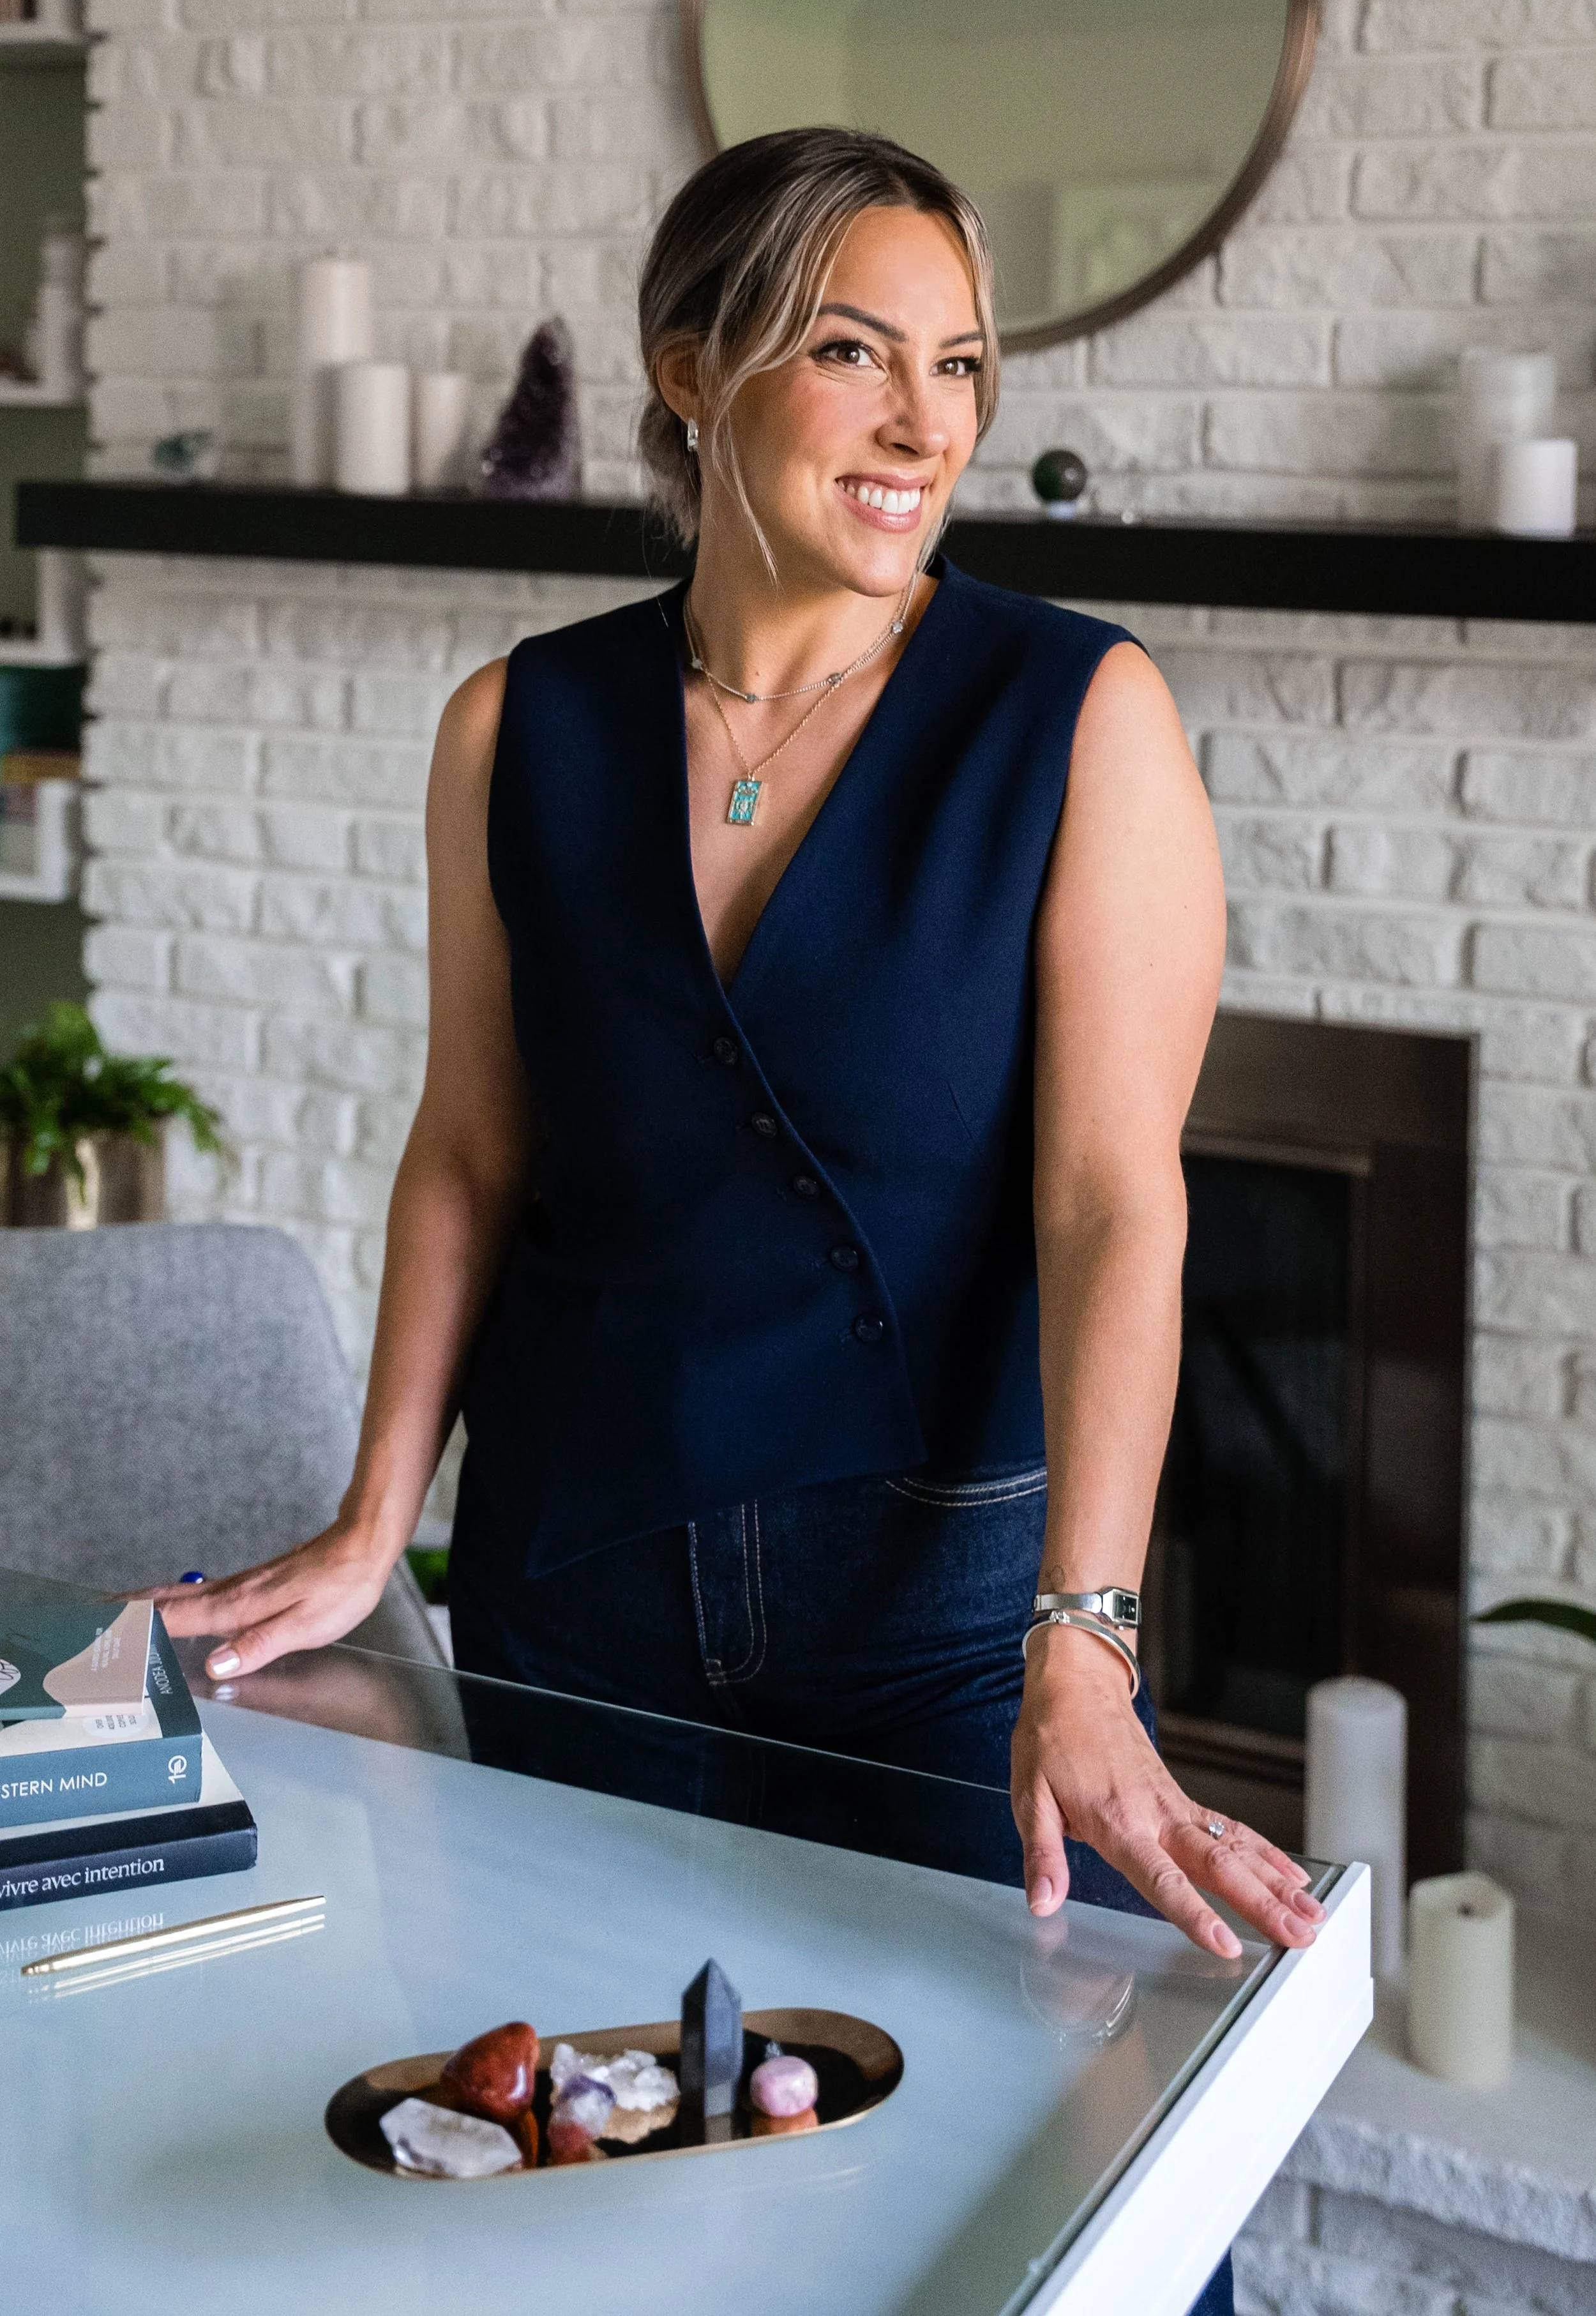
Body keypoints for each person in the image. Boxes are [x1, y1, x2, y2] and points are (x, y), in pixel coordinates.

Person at [156, 128, 1321, 2313]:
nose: (923, 423)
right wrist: (366, 1513)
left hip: (943, 1619)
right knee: (616, 2196)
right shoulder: (515, 725)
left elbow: (1109, 1202)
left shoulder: (1075, 716)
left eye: (958, 363)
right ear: (688, 373)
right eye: (850, 351)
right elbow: (468, 1149)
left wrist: (1085, 1635)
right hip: (570, 1591)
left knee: (1057, 2222)